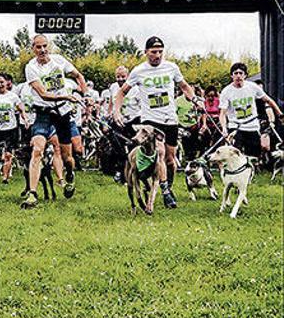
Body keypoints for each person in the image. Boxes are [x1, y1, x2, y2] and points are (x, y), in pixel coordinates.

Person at [114, 36, 201, 209]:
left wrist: (195, 99)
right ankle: (165, 192)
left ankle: (168, 186)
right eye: (154, 52)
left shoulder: (171, 67)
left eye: (160, 51)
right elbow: (121, 93)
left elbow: (184, 86)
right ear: (146, 52)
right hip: (150, 119)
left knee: (170, 160)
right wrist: (117, 111)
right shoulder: (139, 71)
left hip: (170, 118)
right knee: (159, 153)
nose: (158, 55)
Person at [21, 35, 86, 208]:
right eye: (38, 47)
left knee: (68, 157)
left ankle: (70, 174)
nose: (42, 50)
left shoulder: (59, 61)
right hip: (43, 113)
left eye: (44, 46)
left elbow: (78, 75)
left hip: (62, 113)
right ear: (33, 49)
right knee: (37, 150)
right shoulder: (31, 67)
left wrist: (84, 94)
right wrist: (65, 95)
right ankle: (32, 194)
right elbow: (42, 93)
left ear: (48, 46)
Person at [219, 62, 282, 158]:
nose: (238, 76)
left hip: (252, 125)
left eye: (241, 73)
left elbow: (268, 100)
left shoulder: (252, 86)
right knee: (236, 154)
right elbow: (222, 114)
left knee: (254, 155)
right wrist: (224, 128)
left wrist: (280, 114)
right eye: (235, 73)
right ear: (231, 76)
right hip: (236, 126)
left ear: (245, 75)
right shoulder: (226, 91)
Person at [0, 73, 26, 183]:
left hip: (11, 129)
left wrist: (25, 120)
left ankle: (5, 177)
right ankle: (2, 170)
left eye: (1, 82)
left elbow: (21, 109)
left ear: (7, 83)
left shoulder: (13, 96)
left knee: (8, 154)